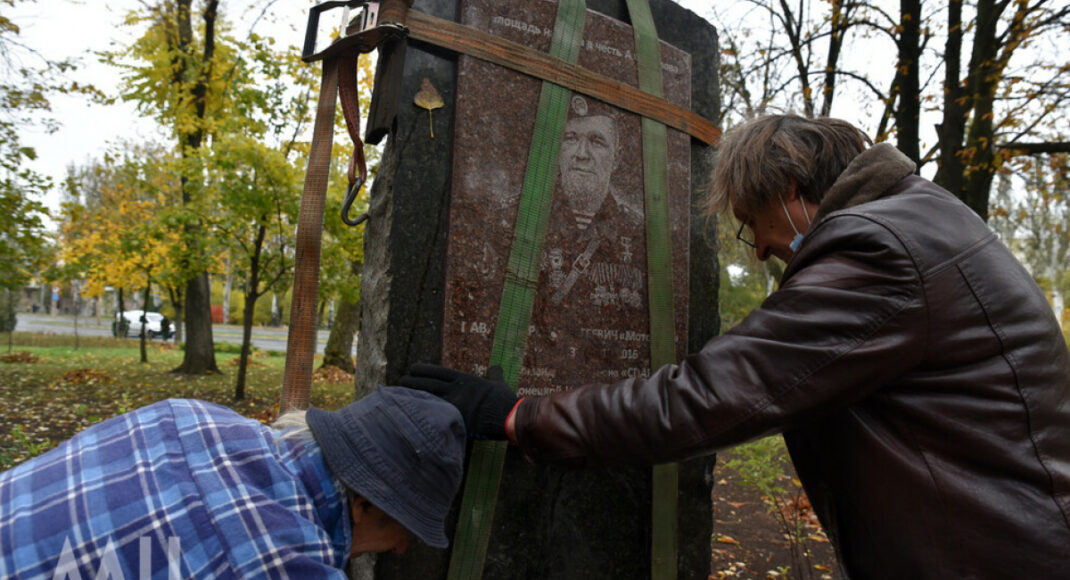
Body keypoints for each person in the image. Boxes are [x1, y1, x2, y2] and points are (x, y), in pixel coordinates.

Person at [400, 114, 1070, 578]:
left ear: (788, 191)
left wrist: (520, 414)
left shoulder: (878, 253)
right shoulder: (922, 223)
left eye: (754, 226)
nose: (766, 248)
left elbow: (710, 396)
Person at [0, 388, 466, 579]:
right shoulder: (283, 564)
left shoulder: (193, 415)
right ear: (362, 504)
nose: (401, 550)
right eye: (402, 532)